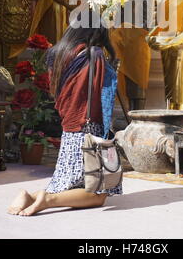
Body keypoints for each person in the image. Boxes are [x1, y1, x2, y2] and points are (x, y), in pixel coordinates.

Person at [8, 18, 122, 216]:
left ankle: (30, 196)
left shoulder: (58, 54)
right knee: (98, 194)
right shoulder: (93, 55)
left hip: (69, 131)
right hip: (88, 130)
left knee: (66, 186)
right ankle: (47, 200)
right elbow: (104, 92)